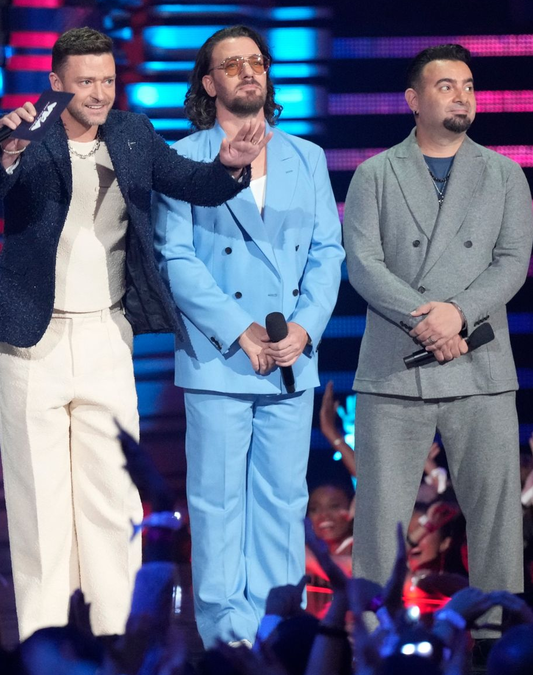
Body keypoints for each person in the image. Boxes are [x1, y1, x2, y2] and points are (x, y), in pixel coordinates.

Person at [0, 27, 265, 639]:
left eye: (106, 80)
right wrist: (10, 150)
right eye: (85, 82)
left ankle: (115, 639)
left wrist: (230, 166)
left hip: (107, 334)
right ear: (56, 82)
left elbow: (190, 180)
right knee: (41, 508)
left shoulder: (132, 134)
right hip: (32, 340)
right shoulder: (26, 132)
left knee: (112, 498)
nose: (100, 93)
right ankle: (45, 645)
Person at [153, 24, 344, 647]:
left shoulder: (307, 157)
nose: (246, 71)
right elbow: (175, 256)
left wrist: (307, 328)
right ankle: (222, 639)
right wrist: (240, 332)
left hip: (290, 355)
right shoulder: (182, 156)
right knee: (216, 503)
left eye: (255, 61)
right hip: (219, 356)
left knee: (284, 501)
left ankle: (277, 632)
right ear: (208, 83)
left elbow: (327, 253)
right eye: (230, 64)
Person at [343, 43, 533, 597]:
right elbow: (363, 264)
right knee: (381, 521)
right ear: (413, 99)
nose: (462, 95)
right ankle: (371, 638)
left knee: (496, 515)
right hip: (395, 370)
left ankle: (498, 641)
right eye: (446, 85)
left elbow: (512, 263)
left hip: (481, 365)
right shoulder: (374, 174)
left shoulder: (505, 175)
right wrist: (424, 320)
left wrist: (457, 314)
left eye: (469, 85)